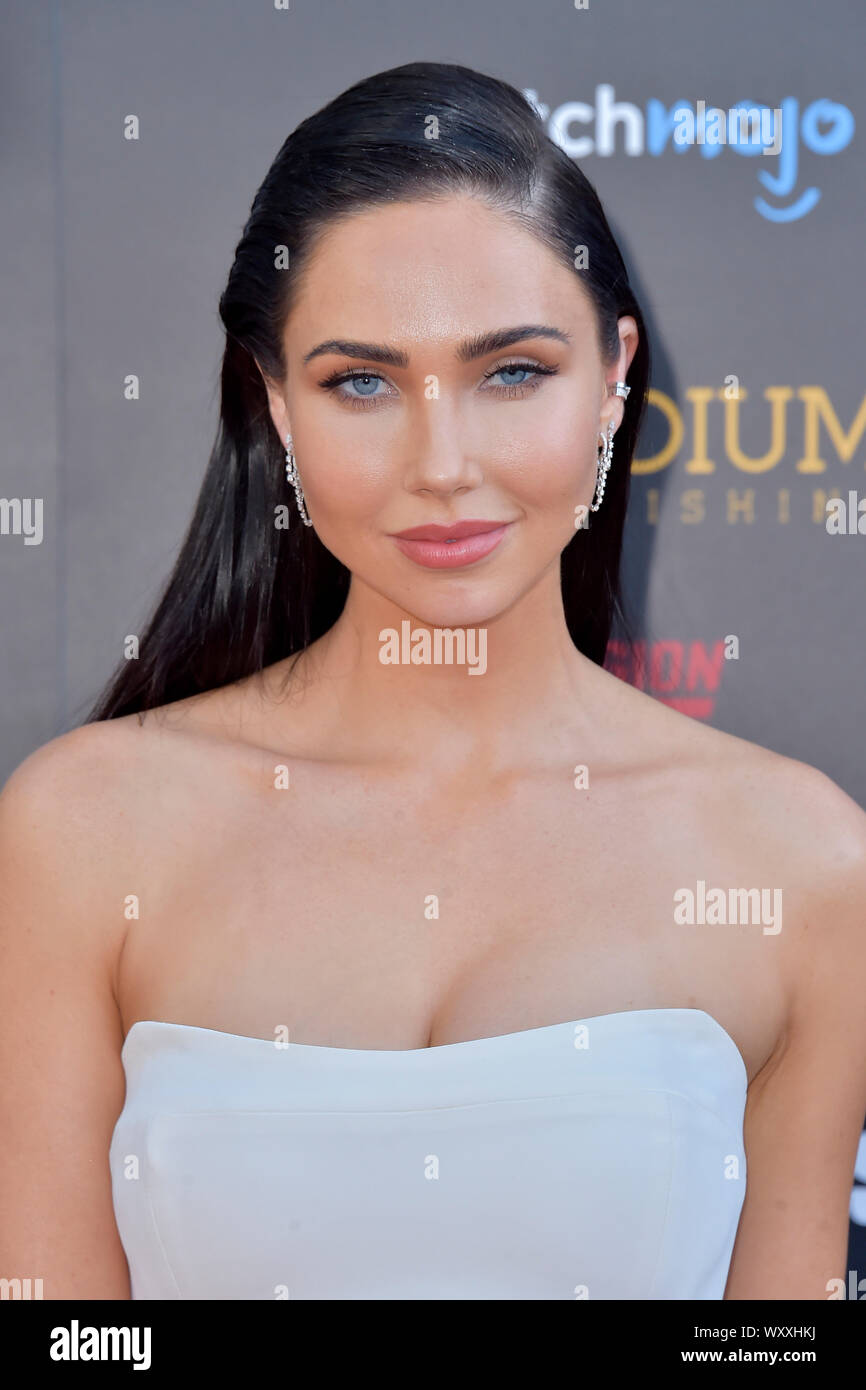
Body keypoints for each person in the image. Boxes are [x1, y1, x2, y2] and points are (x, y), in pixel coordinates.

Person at [1, 60, 865, 1302]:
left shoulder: (800, 864)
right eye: (362, 382)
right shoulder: (84, 831)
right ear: (275, 405)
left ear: (615, 372)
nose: (443, 462)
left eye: (511, 371)